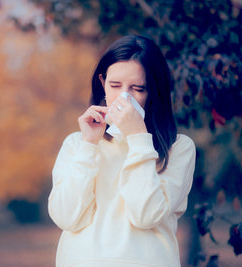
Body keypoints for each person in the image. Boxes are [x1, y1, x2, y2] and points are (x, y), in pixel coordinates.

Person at [48, 35, 196, 267]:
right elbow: (67, 217)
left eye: (137, 88)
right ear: (102, 83)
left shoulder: (178, 148)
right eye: (115, 85)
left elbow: (145, 216)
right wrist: (89, 145)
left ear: (154, 91)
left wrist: (138, 138)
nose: (124, 97)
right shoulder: (77, 143)